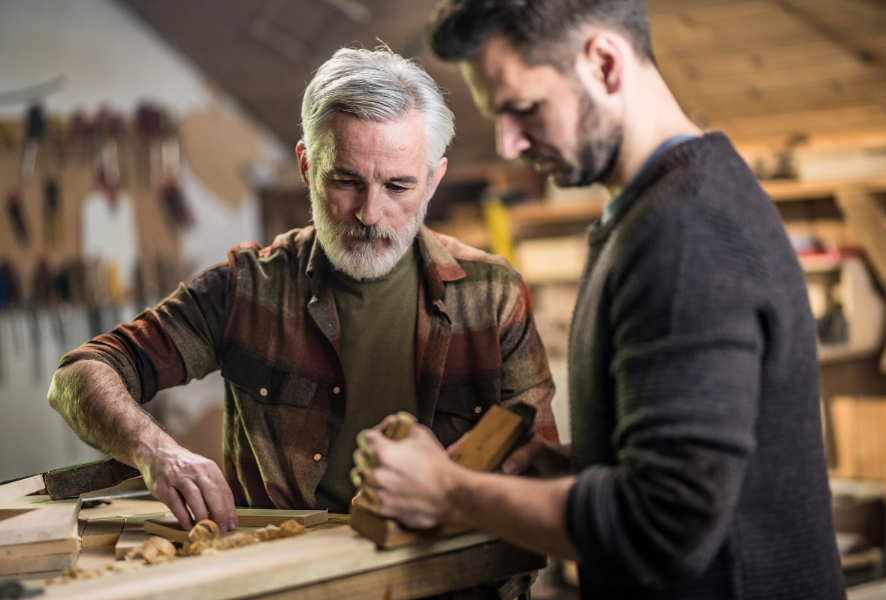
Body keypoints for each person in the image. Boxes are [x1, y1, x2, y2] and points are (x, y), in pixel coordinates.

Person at [351, 2, 845, 598]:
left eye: (524, 109)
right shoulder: (666, 207)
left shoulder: (685, 231)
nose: (509, 144)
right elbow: (696, 474)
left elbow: (665, 526)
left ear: (605, 64)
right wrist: (579, 467)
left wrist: (449, 491)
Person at [48, 47, 558, 537]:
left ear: (433, 180)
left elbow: (542, 475)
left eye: (398, 187)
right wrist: (155, 451)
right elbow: (79, 374)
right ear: (307, 167)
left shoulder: (494, 295)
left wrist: (449, 491)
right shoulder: (246, 287)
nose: (369, 214)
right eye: (346, 181)